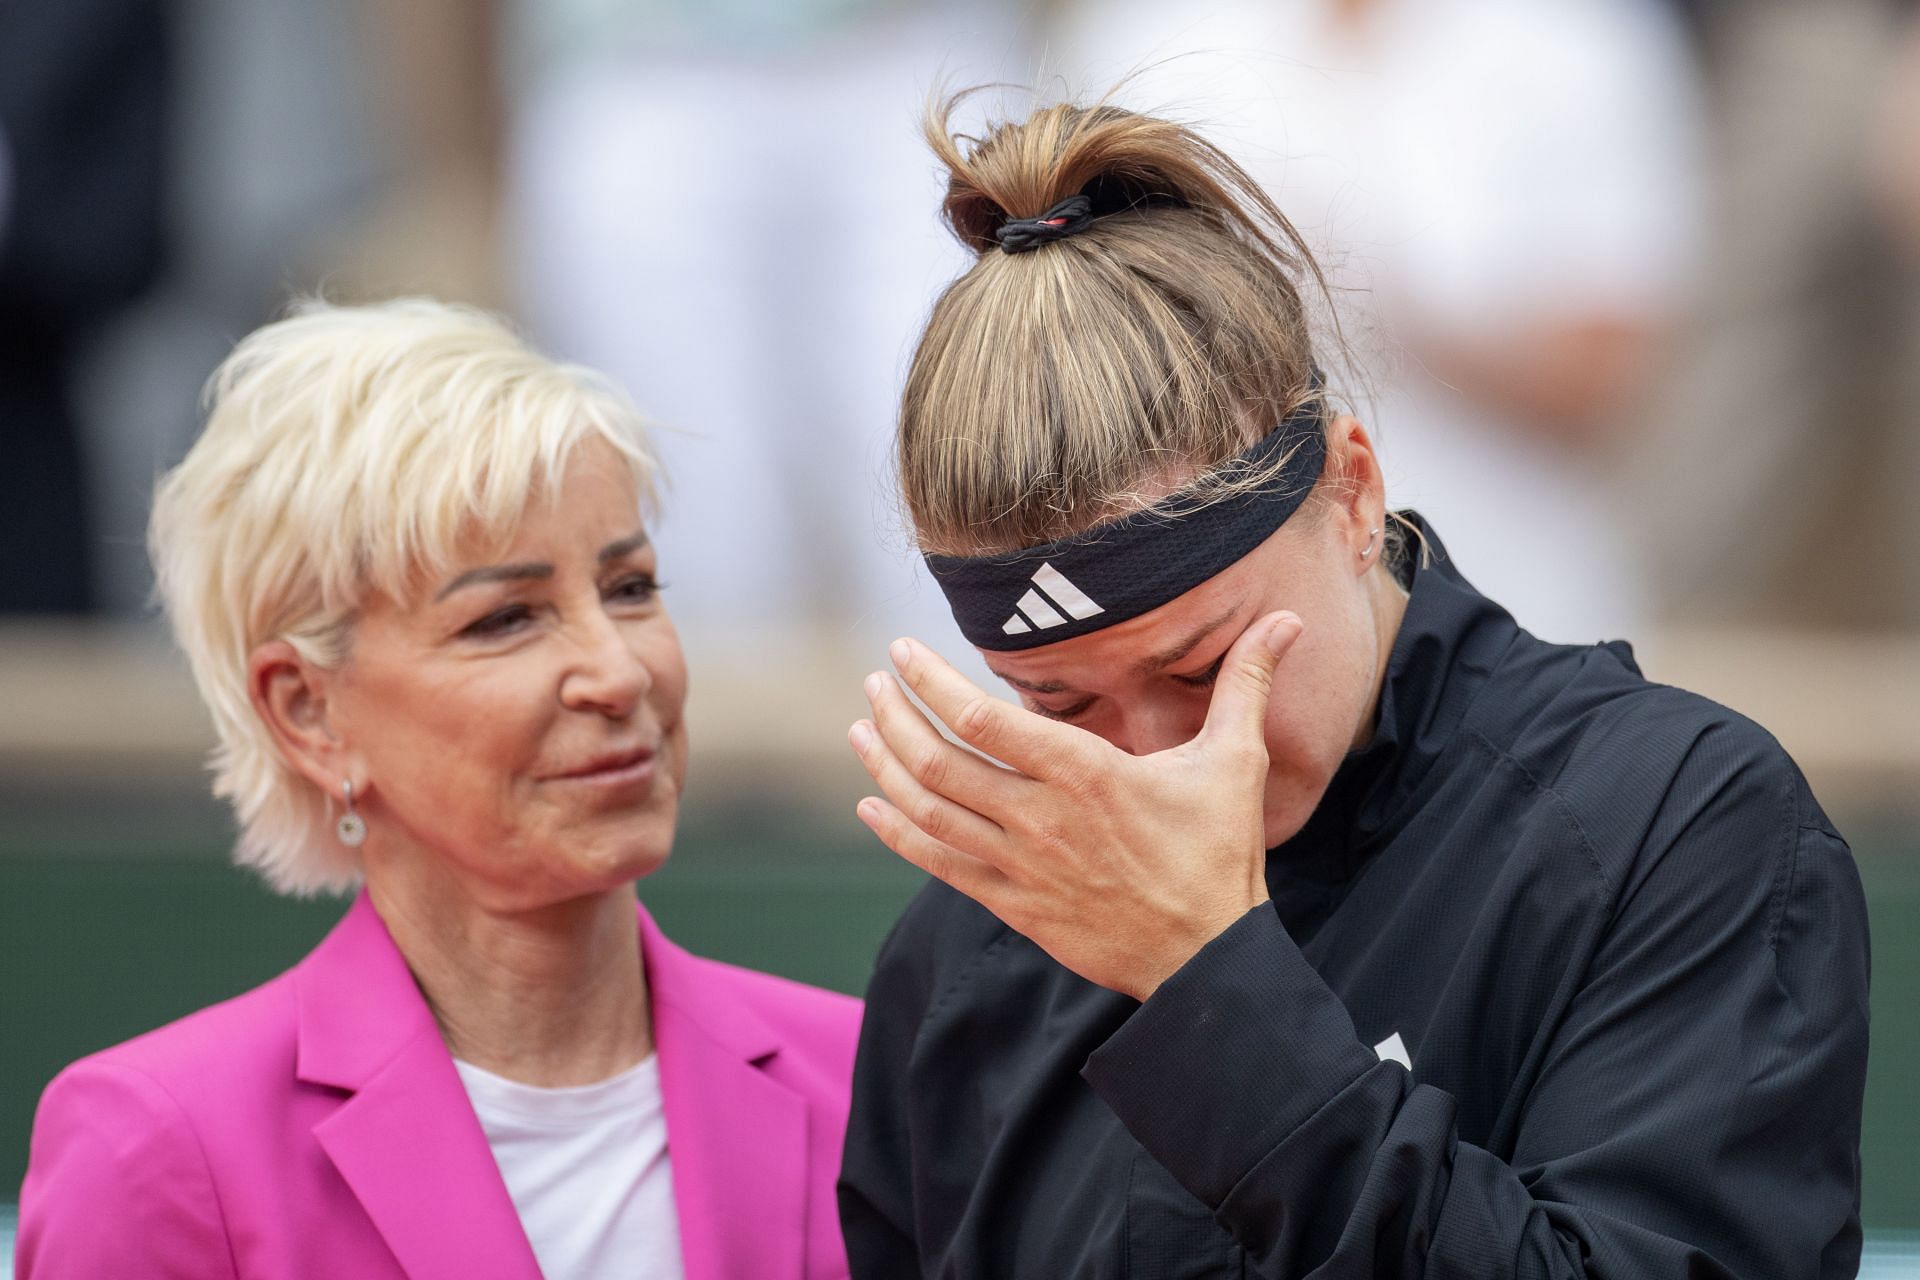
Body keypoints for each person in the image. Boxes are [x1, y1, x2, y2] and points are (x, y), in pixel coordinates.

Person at [836, 98, 1869, 1278]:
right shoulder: (970, 948)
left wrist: (1207, 986)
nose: (1164, 758)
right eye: (1063, 706)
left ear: (1353, 489)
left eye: (1205, 665)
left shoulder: (1676, 827)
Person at [15, 299, 860, 1280]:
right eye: (505, 618)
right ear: (309, 712)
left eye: (630, 588)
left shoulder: (871, 1076)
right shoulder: (159, 1145)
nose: (618, 673)